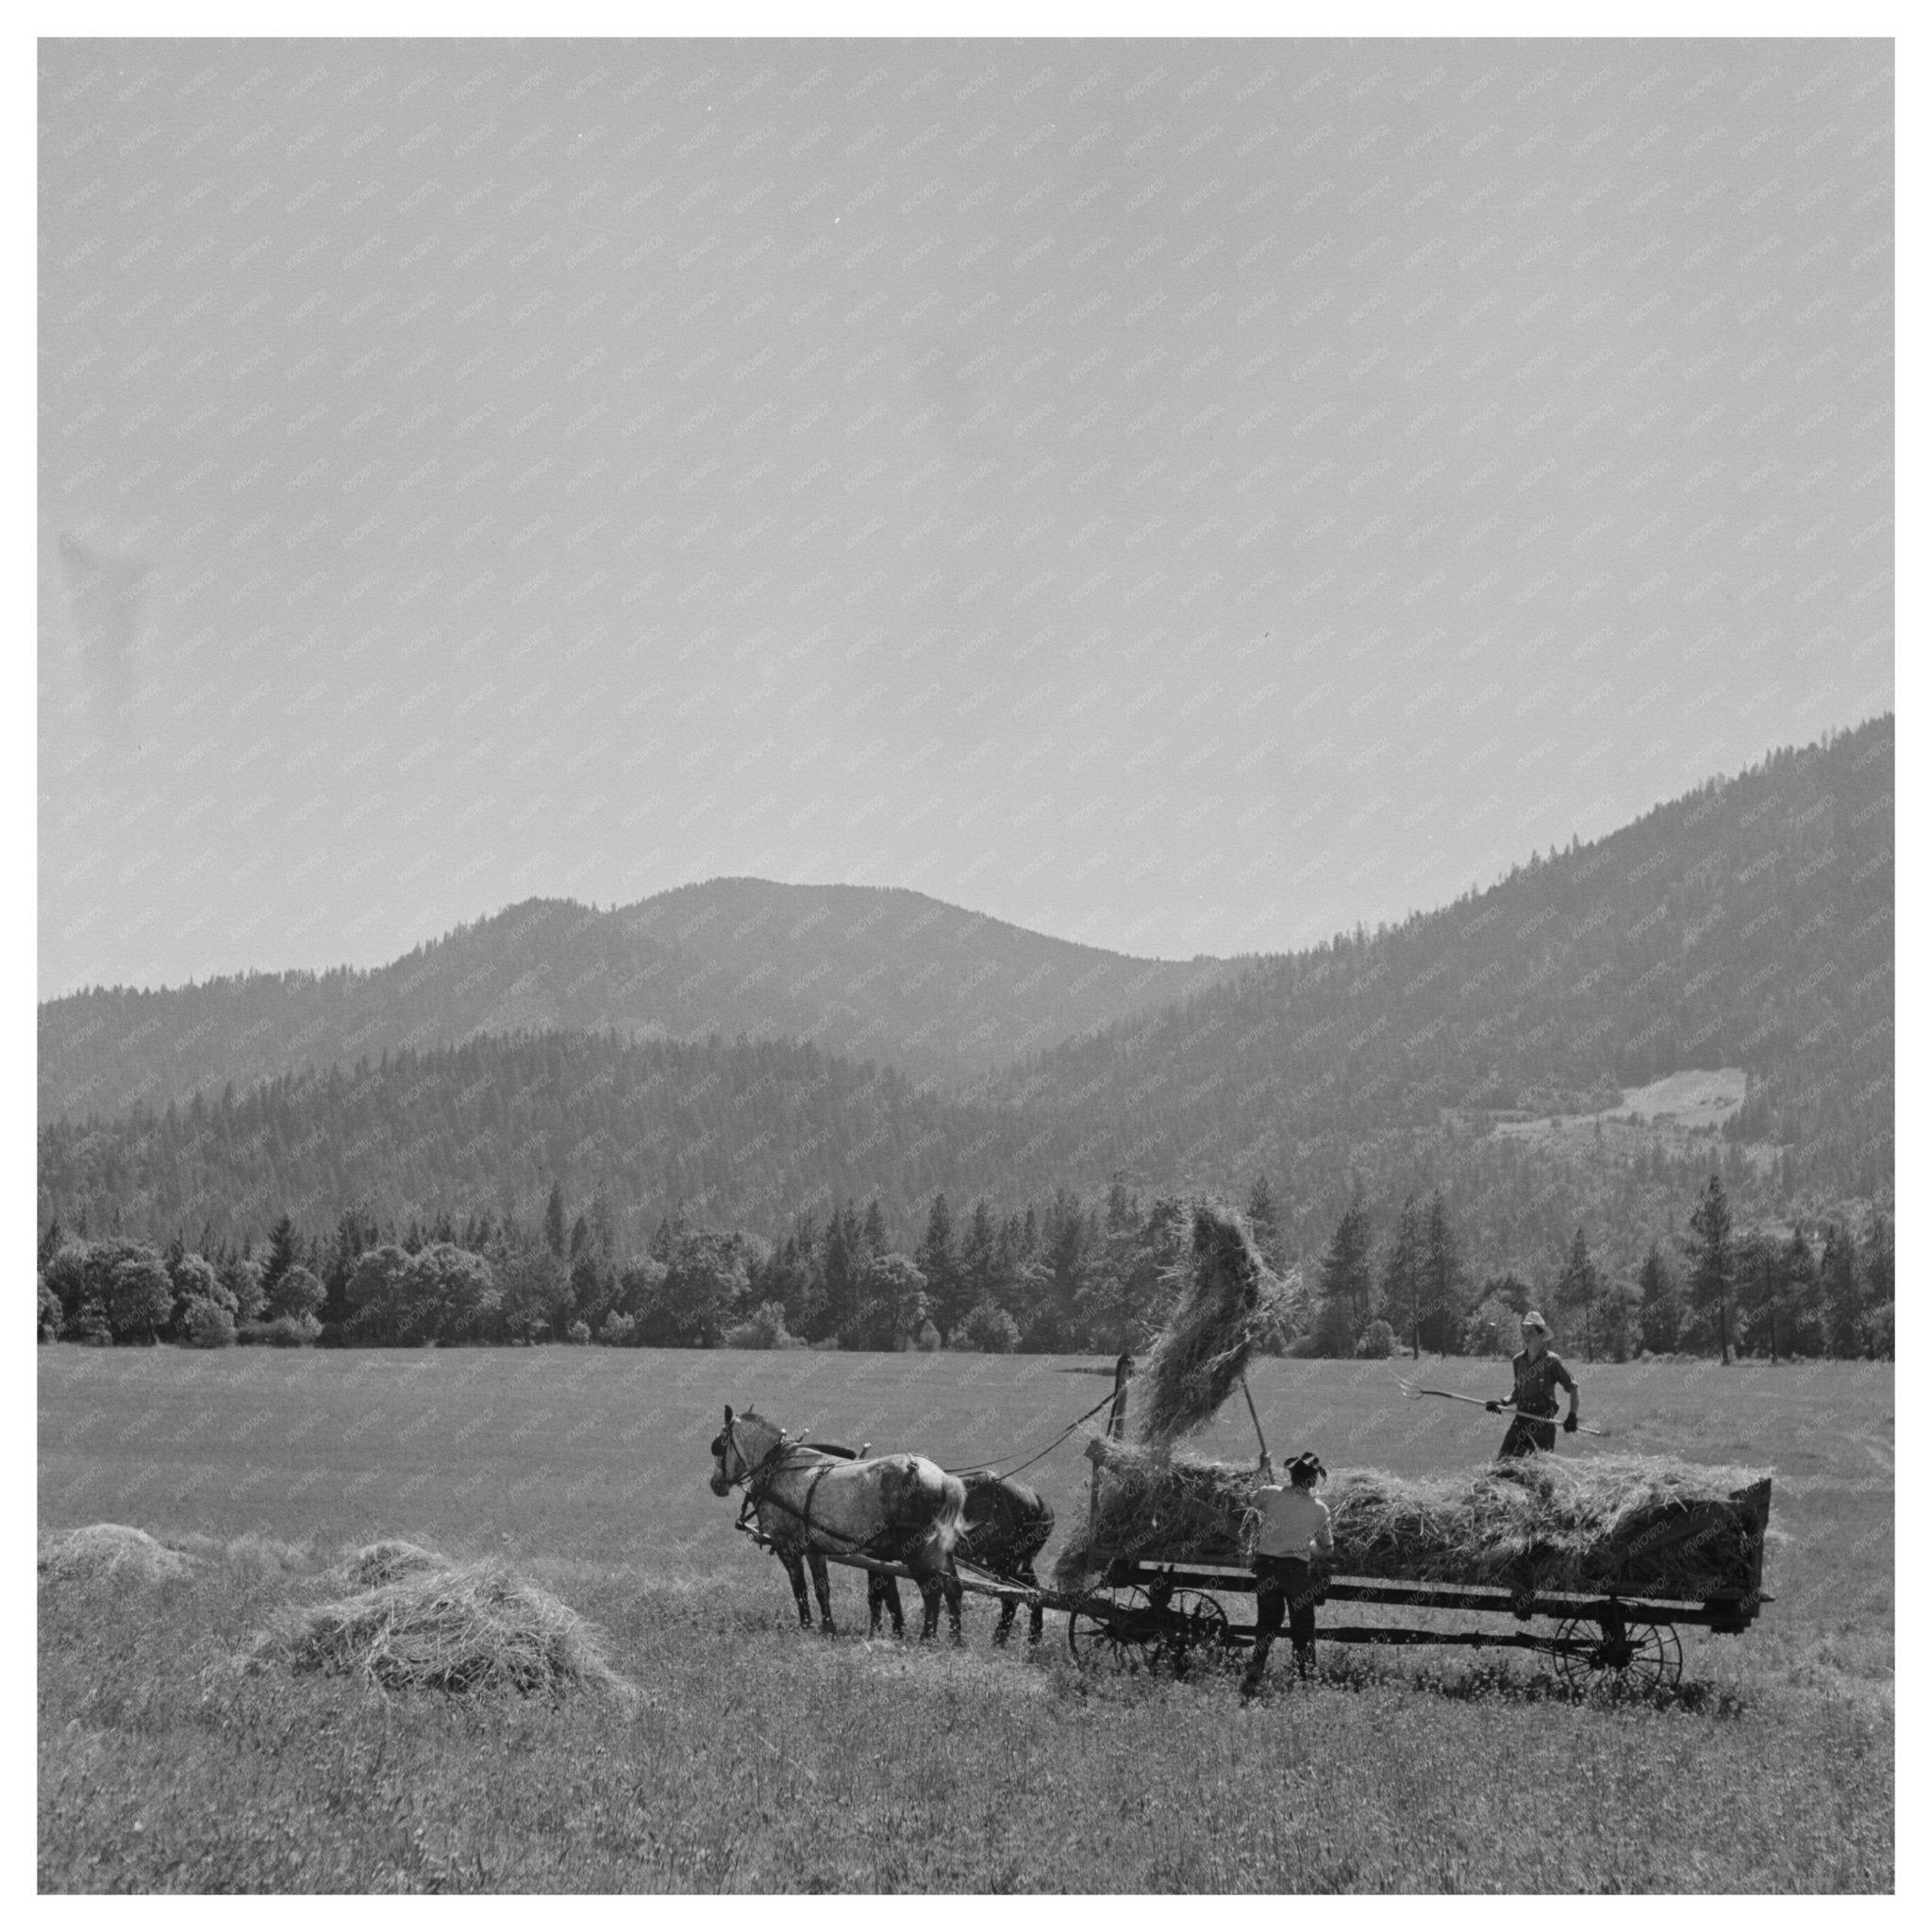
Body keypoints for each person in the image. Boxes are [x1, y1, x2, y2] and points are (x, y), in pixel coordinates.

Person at [1241, 1450, 1333, 1699]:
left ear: (1291, 1476)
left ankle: (1257, 1667)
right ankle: (1305, 1677)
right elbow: (1327, 1548)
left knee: (1267, 1622)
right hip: (1296, 1572)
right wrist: (1309, 1546)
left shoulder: (1271, 1493)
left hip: (1267, 1568)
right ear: (1313, 1480)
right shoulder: (1319, 1509)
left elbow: (1248, 1497)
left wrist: (1262, 1468)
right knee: (1303, 1625)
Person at [1487, 1311, 1581, 1457]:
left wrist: (1572, 1415)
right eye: (1524, 1331)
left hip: (1542, 1424)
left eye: (1530, 1332)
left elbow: (1573, 1387)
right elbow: (1517, 1392)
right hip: (1520, 1420)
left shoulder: (1552, 1361)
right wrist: (1502, 1403)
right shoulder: (1517, 1360)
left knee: (1540, 1469)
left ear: (1541, 1335)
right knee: (1503, 1465)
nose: (1526, 1336)